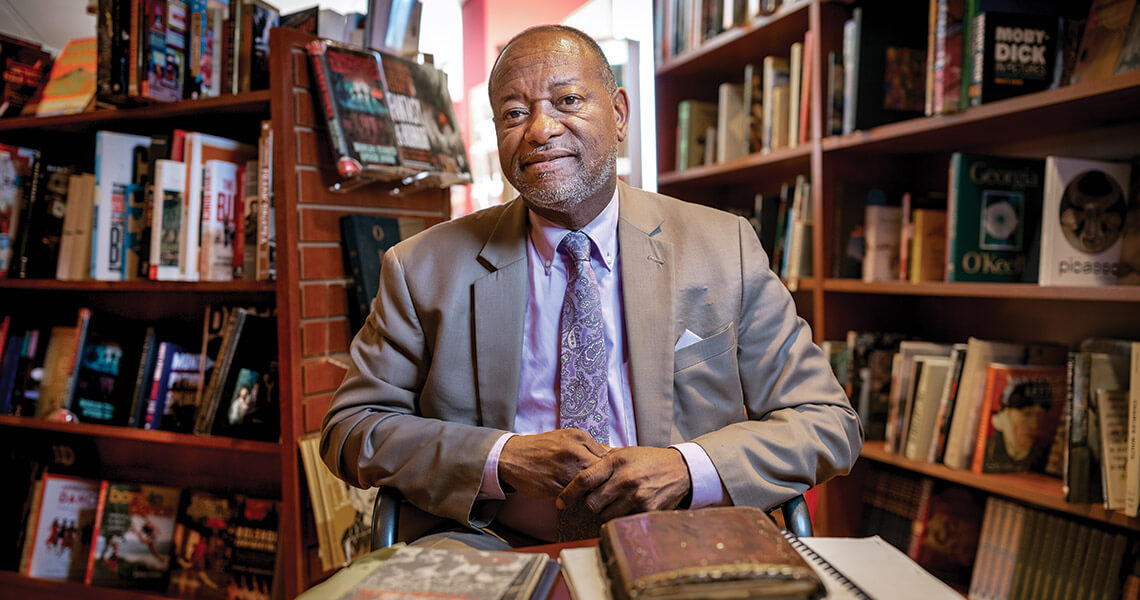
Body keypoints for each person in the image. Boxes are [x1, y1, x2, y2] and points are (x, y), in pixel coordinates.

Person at [321, 24, 862, 550]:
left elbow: (827, 422)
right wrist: (501, 459)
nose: (540, 129)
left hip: (685, 538)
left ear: (620, 113)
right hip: (494, 542)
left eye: (569, 101)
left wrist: (688, 467)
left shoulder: (724, 247)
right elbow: (351, 430)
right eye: (514, 113)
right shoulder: (421, 268)